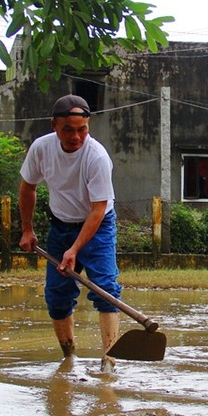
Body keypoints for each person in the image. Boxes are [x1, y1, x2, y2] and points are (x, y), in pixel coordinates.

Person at [18, 95, 122, 370]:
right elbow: (28, 187)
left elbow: (99, 209)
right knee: (56, 295)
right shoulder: (41, 148)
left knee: (105, 288)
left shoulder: (96, 156)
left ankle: (109, 360)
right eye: (68, 130)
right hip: (60, 225)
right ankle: (69, 357)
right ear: (55, 126)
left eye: (82, 129)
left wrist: (75, 250)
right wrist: (27, 230)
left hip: (98, 226)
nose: (76, 137)